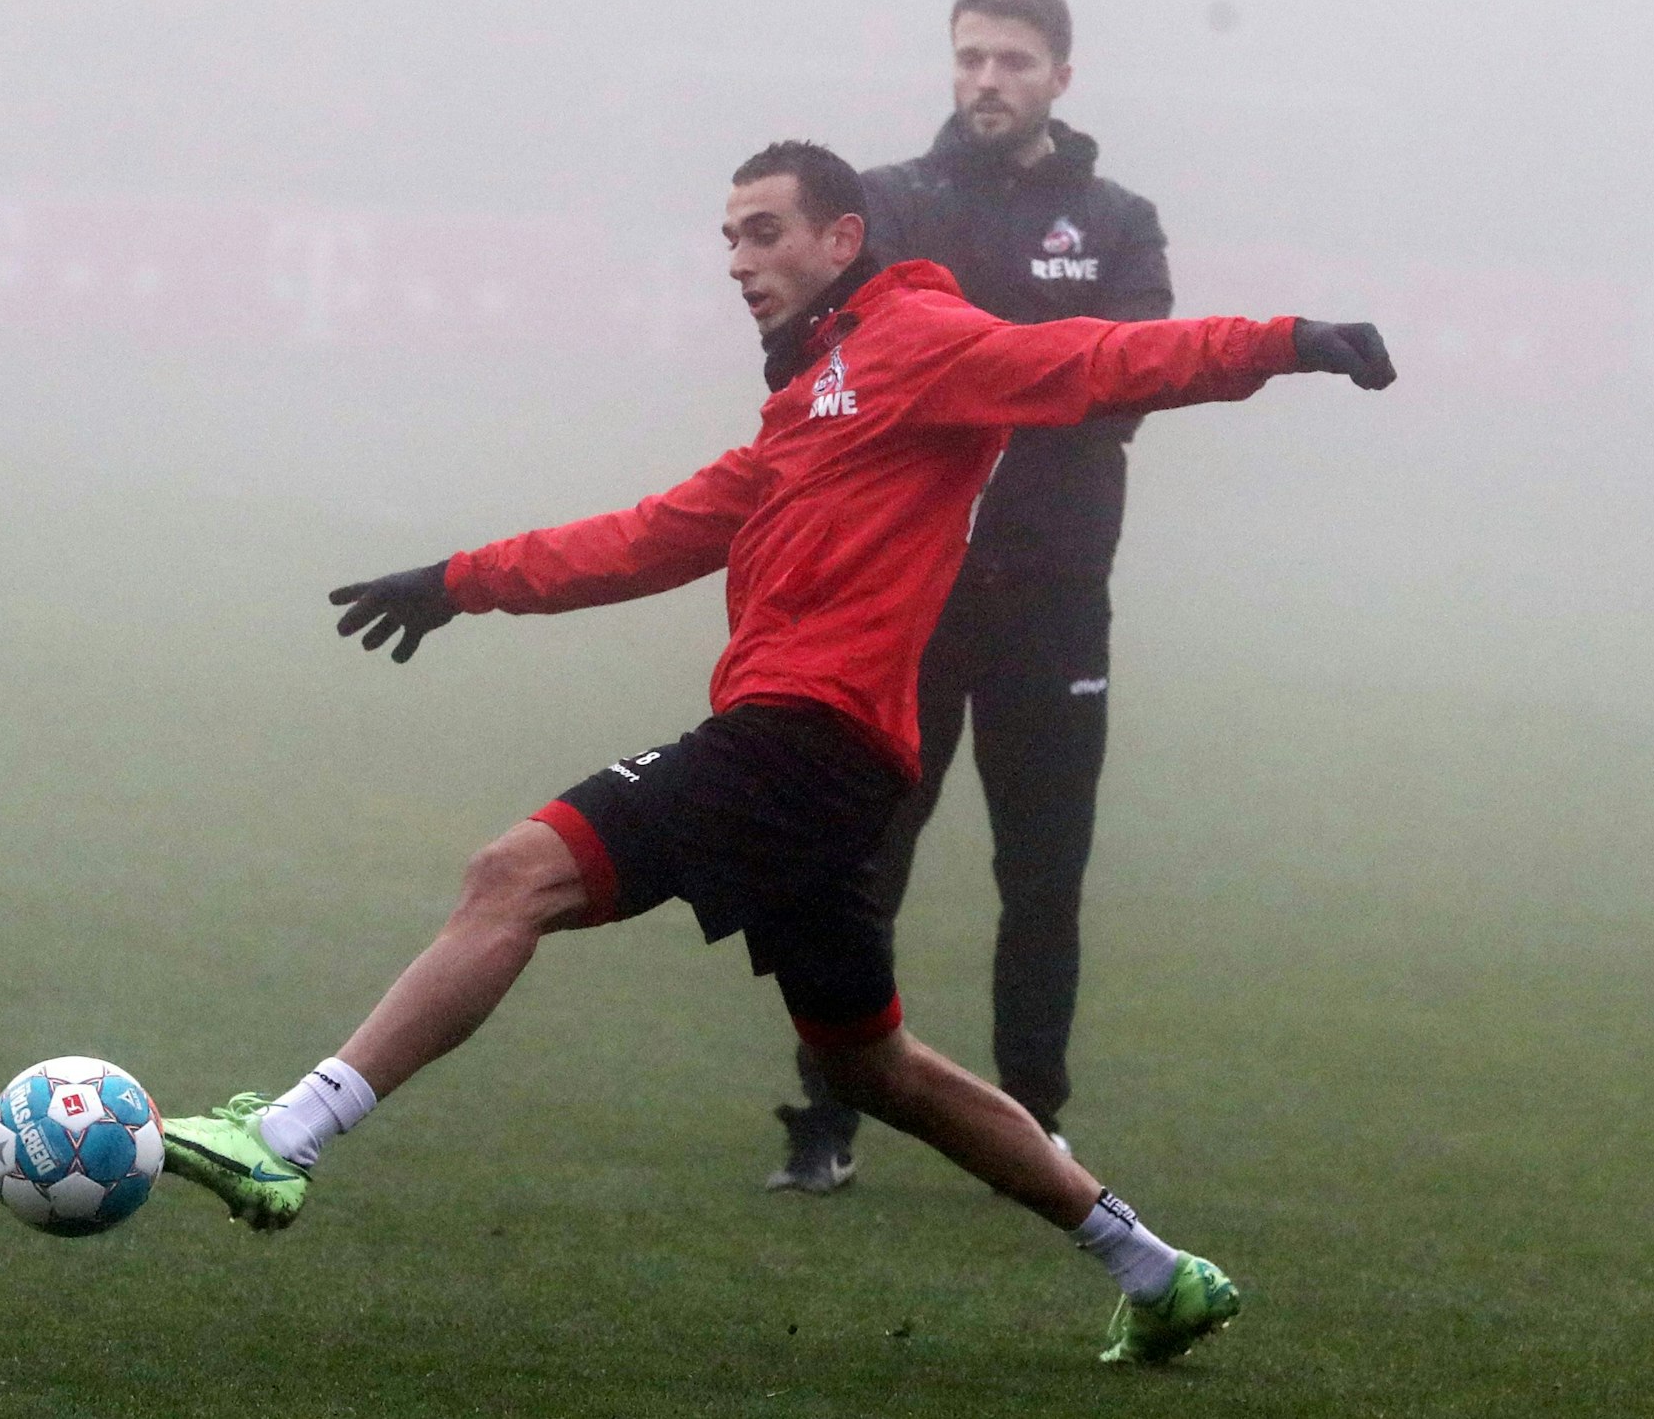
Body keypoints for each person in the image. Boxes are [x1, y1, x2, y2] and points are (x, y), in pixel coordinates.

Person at [159, 140, 1394, 1365]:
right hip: (834, 763)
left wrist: (1288, 341)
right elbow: (643, 537)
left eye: (765, 232)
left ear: (841, 238)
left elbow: (1097, 358)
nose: (738, 262)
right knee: (871, 1066)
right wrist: (455, 580)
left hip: (802, 738)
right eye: (728, 239)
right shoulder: (802, 410)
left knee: (514, 875)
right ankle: (1156, 1272)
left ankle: (283, 1137)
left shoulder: (918, 343)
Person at [771, 0, 1182, 1192]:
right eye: (969, 57)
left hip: (1053, 597)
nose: (986, 79)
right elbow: (829, 365)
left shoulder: (1117, 219)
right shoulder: (887, 204)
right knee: (863, 859)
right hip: (905, 596)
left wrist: (955, 373)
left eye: (1011, 60)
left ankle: (1034, 1126)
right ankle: (826, 1118)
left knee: (1042, 875)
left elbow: (1132, 378)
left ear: (1060, 76)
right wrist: (1040, 368)